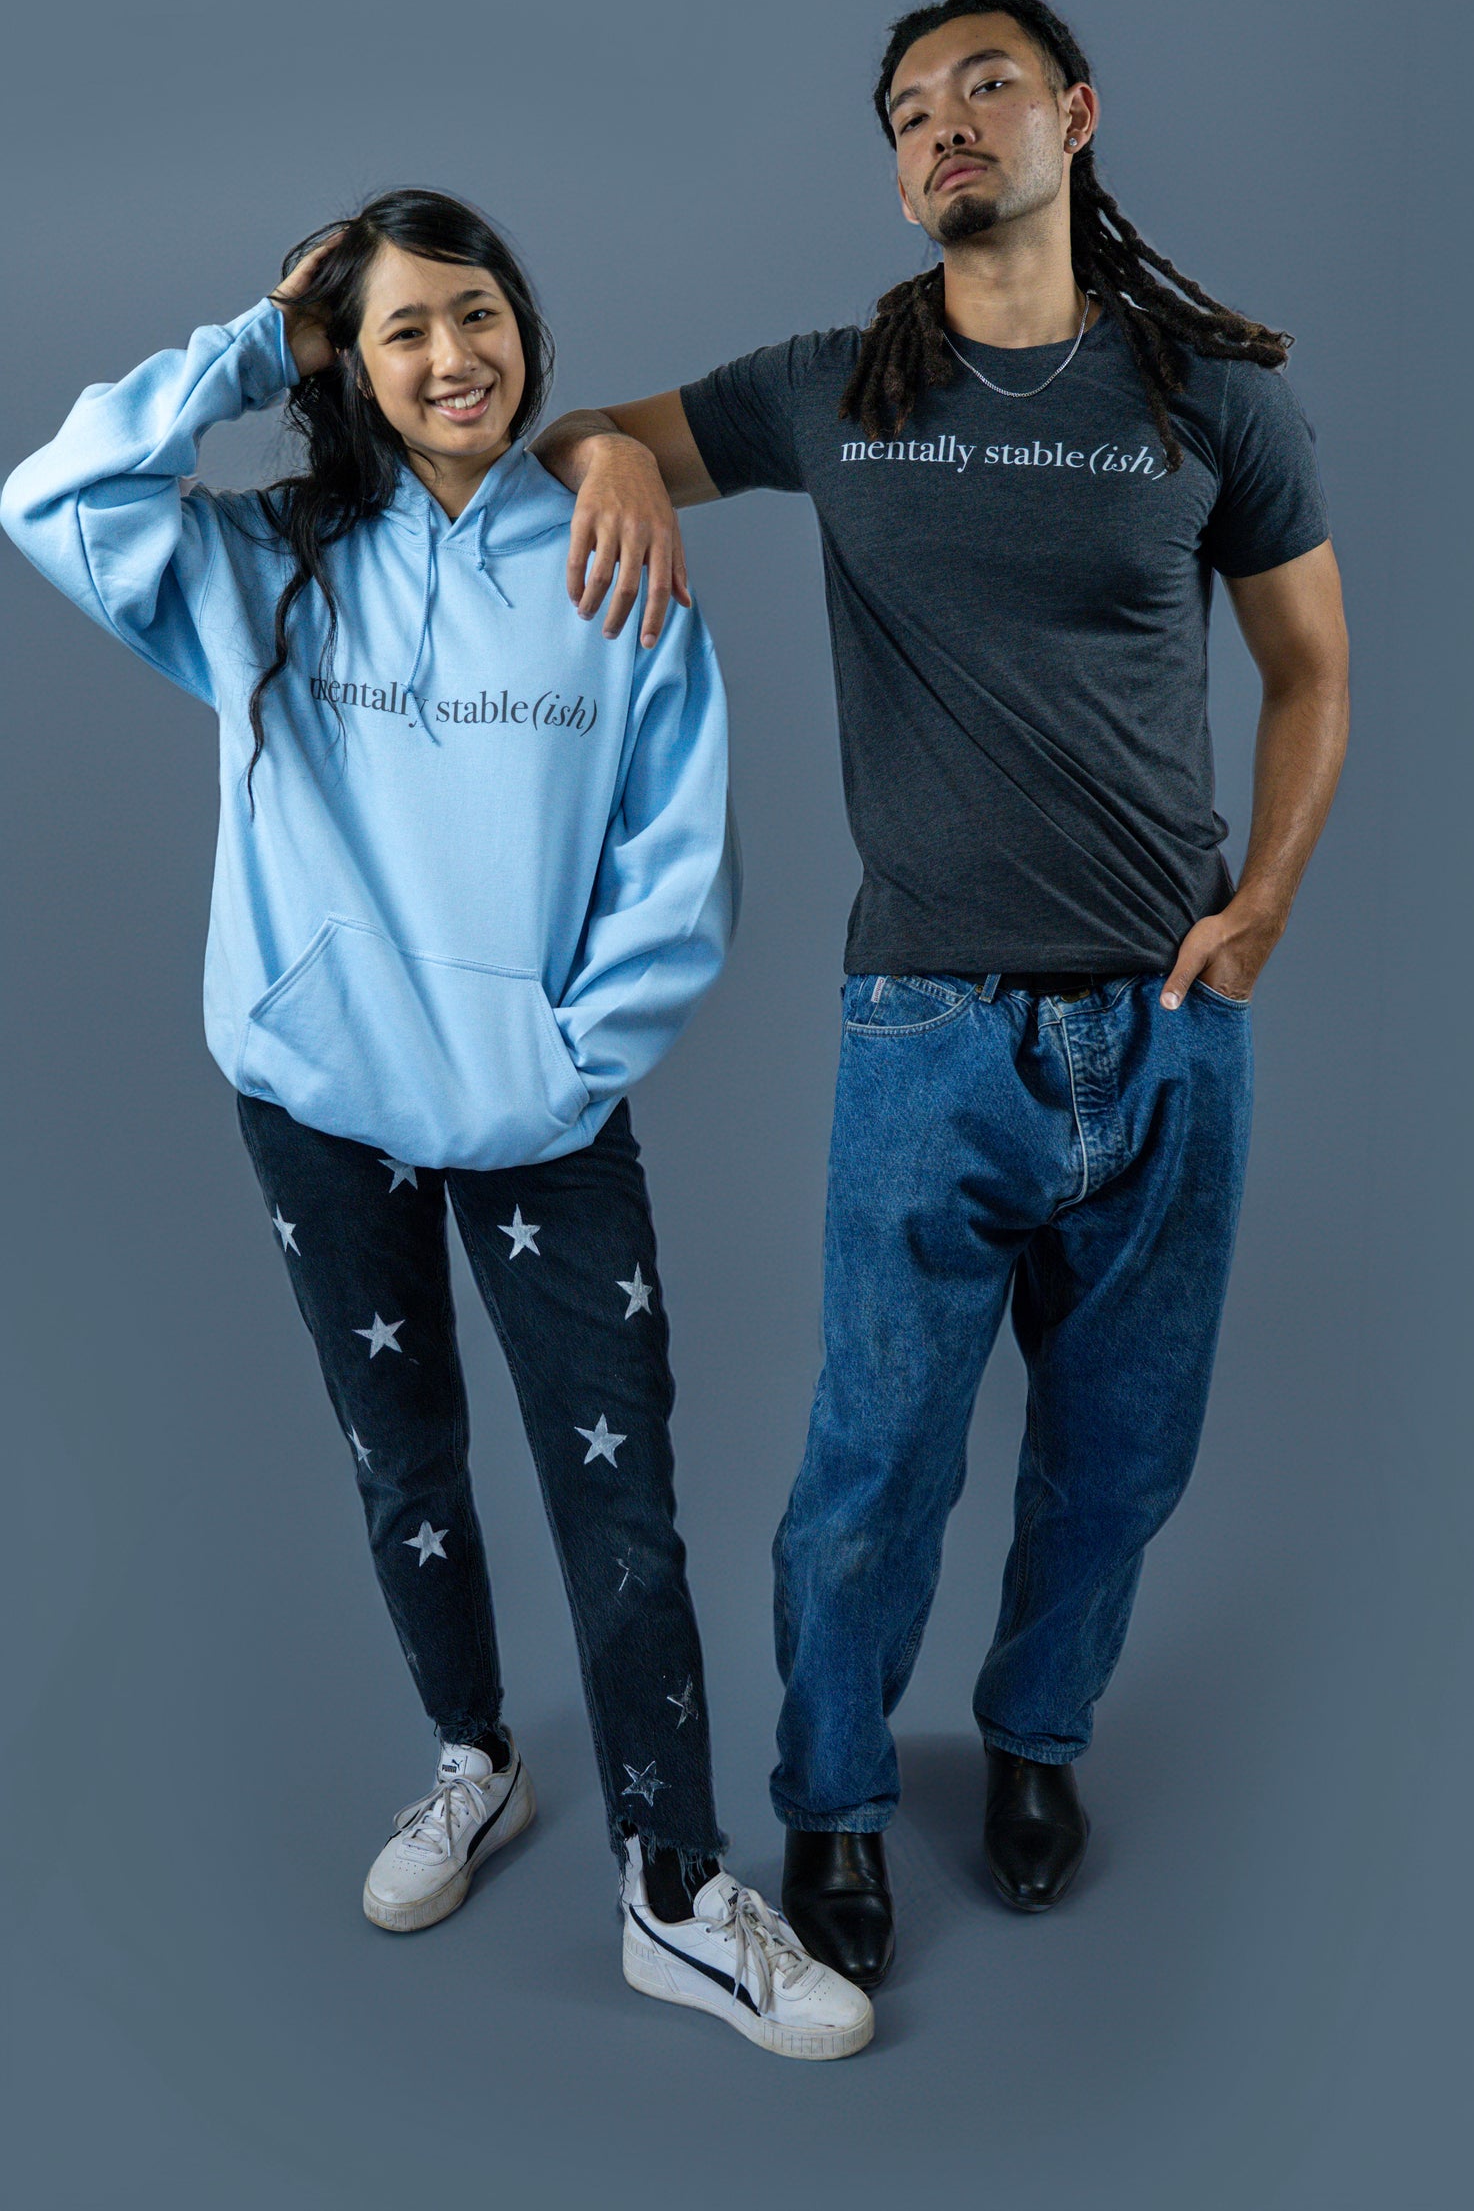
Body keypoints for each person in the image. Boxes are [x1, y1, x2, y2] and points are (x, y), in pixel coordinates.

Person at [531, 0, 1350, 1991]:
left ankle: (1037, 1742)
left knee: (1122, 1452)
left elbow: (1313, 666)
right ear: (895, 169)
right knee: (874, 1462)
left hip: (1168, 1030)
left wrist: (1268, 907)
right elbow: (589, 431)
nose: (944, 125)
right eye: (909, 109)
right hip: (927, 1032)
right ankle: (834, 1801)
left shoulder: (1209, 400)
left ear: (1074, 111)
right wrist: (615, 463)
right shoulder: (840, 387)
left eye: (984, 85)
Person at [1, 188, 871, 2061]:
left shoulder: (608, 543)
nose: (450, 356)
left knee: (618, 1498)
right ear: (351, 363)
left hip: (540, 1115)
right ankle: (472, 1758)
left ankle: (672, 1888)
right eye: (398, 329)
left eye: (475, 315)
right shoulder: (263, 563)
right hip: (320, 1104)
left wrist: (561, 1065)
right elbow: (45, 503)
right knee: (403, 1457)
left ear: (523, 331)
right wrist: (250, 340)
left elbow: (679, 857)